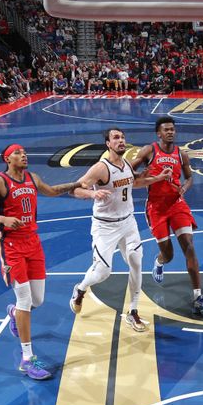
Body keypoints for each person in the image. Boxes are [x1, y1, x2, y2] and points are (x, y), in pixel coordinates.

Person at [0, 144, 83, 380]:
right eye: (18, 153)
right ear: (8, 159)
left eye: (24, 152)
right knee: (25, 298)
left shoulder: (33, 177)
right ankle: (27, 359)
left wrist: (76, 184)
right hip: (12, 246)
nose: (24, 155)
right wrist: (2, 218)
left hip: (33, 242)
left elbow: (50, 191)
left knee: (37, 300)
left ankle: (13, 313)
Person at [69, 128, 172, 331]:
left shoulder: (125, 164)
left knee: (136, 261)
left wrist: (158, 178)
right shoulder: (101, 168)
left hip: (128, 223)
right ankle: (80, 289)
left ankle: (133, 312)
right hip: (105, 226)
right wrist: (92, 195)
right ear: (108, 143)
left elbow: (135, 182)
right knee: (102, 272)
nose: (121, 140)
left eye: (123, 137)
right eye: (116, 138)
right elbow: (75, 188)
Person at [130, 117, 203, 315]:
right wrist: (144, 176)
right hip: (156, 208)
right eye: (166, 129)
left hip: (177, 204)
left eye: (172, 129)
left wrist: (184, 187)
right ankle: (159, 263)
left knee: (189, 246)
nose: (170, 132)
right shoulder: (149, 151)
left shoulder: (181, 154)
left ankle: (198, 297)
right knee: (168, 254)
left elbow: (190, 177)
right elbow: (129, 172)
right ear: (158, 133)